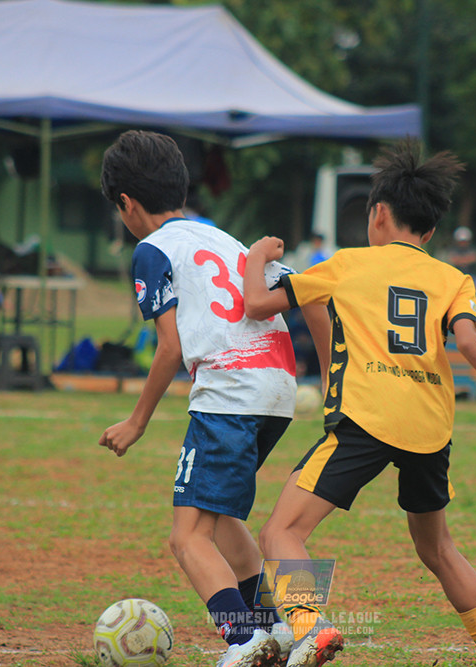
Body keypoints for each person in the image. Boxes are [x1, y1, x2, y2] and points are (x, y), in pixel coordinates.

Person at [244, 140, 476, 667]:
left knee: (282, 530)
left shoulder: (346, 265)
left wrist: (259, 256)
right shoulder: (454, 279)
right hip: (429, 429)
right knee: (437, 549)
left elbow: (258, 304)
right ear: (431, 232)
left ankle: (309, 627)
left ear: (377, 215)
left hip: (366, 421)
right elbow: (470, 343)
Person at [96, 130, 330, 667]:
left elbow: (170, 348)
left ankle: (244, 642)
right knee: (221, 519)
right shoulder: (225, 239)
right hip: (278, 390)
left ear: (127, 205)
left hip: (229, 391)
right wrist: (329, 371)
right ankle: (275, 627)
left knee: (187, 537)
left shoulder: (152, 250)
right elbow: (310, 293)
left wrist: (137, 421)